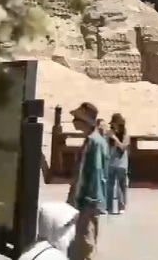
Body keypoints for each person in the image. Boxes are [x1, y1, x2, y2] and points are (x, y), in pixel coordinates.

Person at [66, 101, 108, 260]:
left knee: (85, 245)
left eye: (76, 118)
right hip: (84, 200)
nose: (74, 121)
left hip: (88, 201)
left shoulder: (95, 142)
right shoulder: (91, 140)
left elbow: (96, 173)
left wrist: (91, 202)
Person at [105, 114, 129, 215]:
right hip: (111, 163)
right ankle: (108, 207)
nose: (113, 126)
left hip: (121, 164)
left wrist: (114, 138)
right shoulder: (109, 135)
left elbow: (123, 147)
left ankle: (121, 206)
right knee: (109, 186)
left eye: (114, 124)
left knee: (121, 186)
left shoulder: (126, 136)